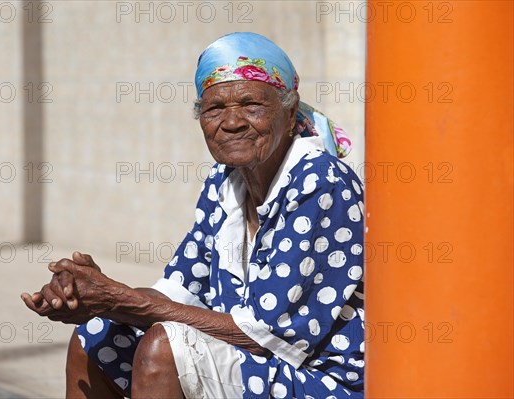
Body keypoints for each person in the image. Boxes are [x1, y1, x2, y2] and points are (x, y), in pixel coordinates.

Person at [22, 32, 365, 399]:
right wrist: (91, 295)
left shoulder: (319, 180)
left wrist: (120, 300)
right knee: (94, 336)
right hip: (262, 364)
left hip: (322, 378)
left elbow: (266, 337)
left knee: (163, 351)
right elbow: (180, 290)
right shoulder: (226, 181)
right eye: (214, 109)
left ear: (289, 110)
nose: (231, 122)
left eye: (251, 105)